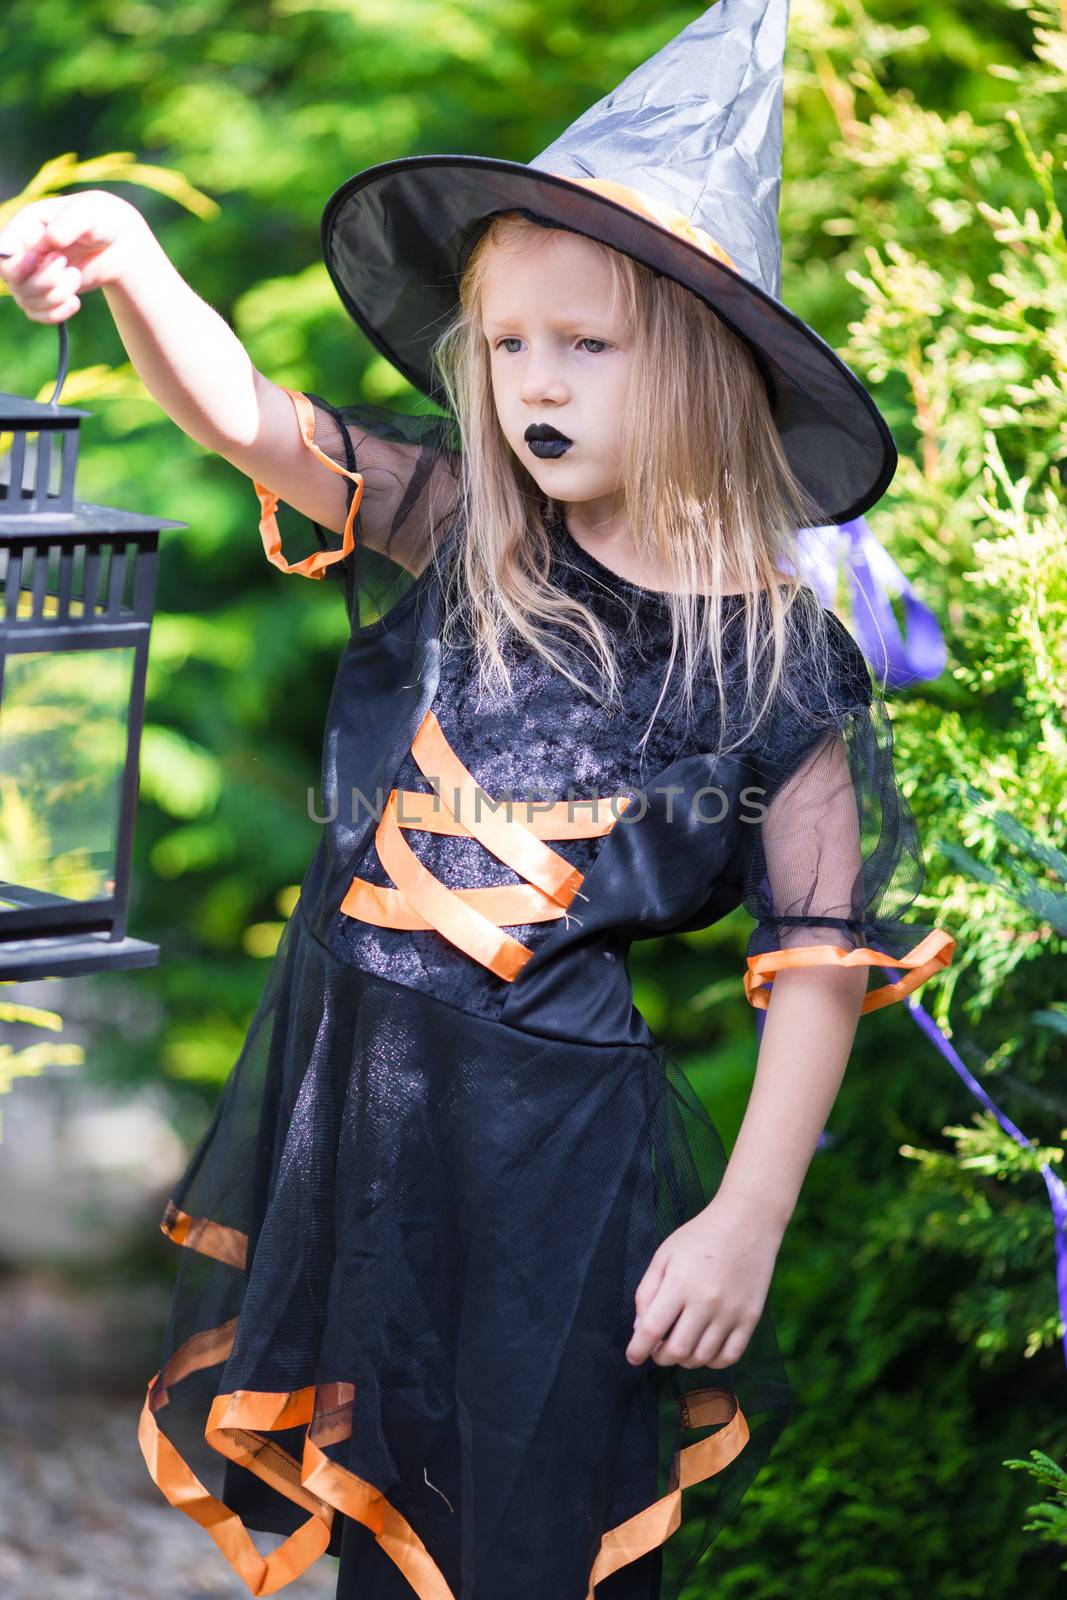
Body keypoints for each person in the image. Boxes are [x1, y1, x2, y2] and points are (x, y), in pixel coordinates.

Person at [0, 4, 956, 1596]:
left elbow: (819, 962)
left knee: (529, 1532)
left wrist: (746, 1221)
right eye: (508, 344)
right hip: (365, 1123)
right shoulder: (473, 539)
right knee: (394, 1524)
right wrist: (130, 265)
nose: (533, 380)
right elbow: (251, 420)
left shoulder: (778, 661)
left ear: (706, 368)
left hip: (553, 1157)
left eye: (587, 343)